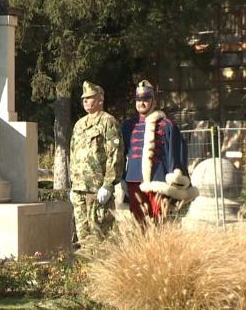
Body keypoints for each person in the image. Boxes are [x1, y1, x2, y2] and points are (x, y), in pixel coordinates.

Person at [121, 80, 194, 223]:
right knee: (138, 223)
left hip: (158, 181)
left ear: (153, 102)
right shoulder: (128, 126)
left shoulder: (167, 125)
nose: (141, 103)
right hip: (133, 180)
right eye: (138, 100)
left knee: (160, 221)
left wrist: (176, 176)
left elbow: (177, 152)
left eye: (146, 100)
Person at [69, 81, 123, 245]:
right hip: (79, 187)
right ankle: (86, 269)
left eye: (90, 98)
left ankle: (103, 268)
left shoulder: (108, 121)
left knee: (100, 234)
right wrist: (73, 184)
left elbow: (115, 154)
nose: (86, 101)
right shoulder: (79, 125)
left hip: (97, 188)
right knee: (83, 234)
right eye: (84, 98)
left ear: (100, 99)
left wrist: (108, 184)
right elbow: (73, 153)